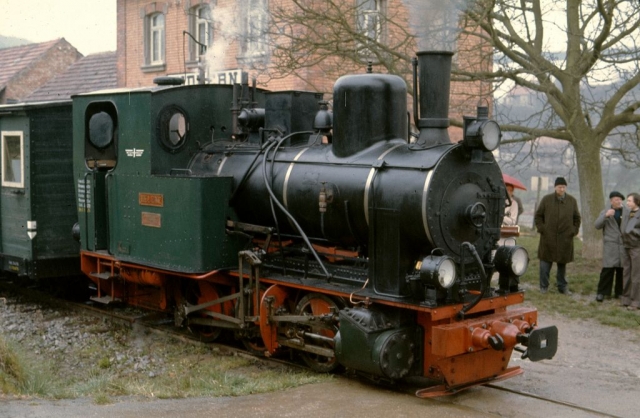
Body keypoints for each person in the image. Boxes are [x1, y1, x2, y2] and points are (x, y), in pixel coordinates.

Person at [534, 176, 582, 294]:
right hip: (548, 237)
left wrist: (573, 230)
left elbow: (577, 217)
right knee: (545, 264)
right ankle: (543, 287)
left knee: (562, 265)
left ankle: (562, 287)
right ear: (555, 187)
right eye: (560, 187)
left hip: (565, 238)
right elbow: (538, 216)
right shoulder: (547, 199)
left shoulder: (572, 200)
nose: (562, 189)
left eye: (564, 187)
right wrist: (542, 229)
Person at [594, 191, 626, 302]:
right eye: (616, 199)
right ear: (611, 200)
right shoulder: (605, 212)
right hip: (610, 245)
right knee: (607, 269)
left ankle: (620, 292)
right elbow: (597, 225)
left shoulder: (626, 212)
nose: (619, 201)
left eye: (620, 199)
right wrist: (606, 216)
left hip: (623, 245)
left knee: (621, 270)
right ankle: (602, 292)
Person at [620, 192, 640, 310]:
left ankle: (636, 301)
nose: (627, 203)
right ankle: (626, 299)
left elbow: (632, 230)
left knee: (636, 275)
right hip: (626, 246)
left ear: (636, 202)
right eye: (627, 201)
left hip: (637, 247)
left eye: (629, 201)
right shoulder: (627, 213)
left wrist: (632, 232)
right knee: (626, 273)